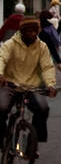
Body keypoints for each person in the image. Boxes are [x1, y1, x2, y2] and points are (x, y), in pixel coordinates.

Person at [0, 16, 57, 148]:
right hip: (10, 84)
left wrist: (50, 84)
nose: (32, 34)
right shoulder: (11, 44)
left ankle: (34, 140)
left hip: (31, 86)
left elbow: (47, 66)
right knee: (1, 108)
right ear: (22, 31)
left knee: (43, 109)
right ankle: (2, 138)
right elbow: (1, 58)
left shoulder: (41, 47)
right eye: (29, 31)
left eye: (34, 31)